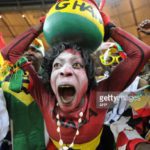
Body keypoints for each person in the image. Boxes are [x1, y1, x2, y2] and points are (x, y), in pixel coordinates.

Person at [1, 1, 150, 150]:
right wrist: (45, 22)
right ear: (50, 77)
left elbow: (140, 54)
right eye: (57, 65)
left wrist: (109, 27)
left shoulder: (100, 98)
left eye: (76, 65)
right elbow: (9, 53)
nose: (65, 71)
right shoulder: (45, 95)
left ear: (88, 76)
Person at [0, 37, 46, 150]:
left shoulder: (53, 81)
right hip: (16, 143)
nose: (30, 52)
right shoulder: (5, 83)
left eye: (36, 50)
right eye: (27, 49)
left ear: (43, 57)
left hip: (48, 142)